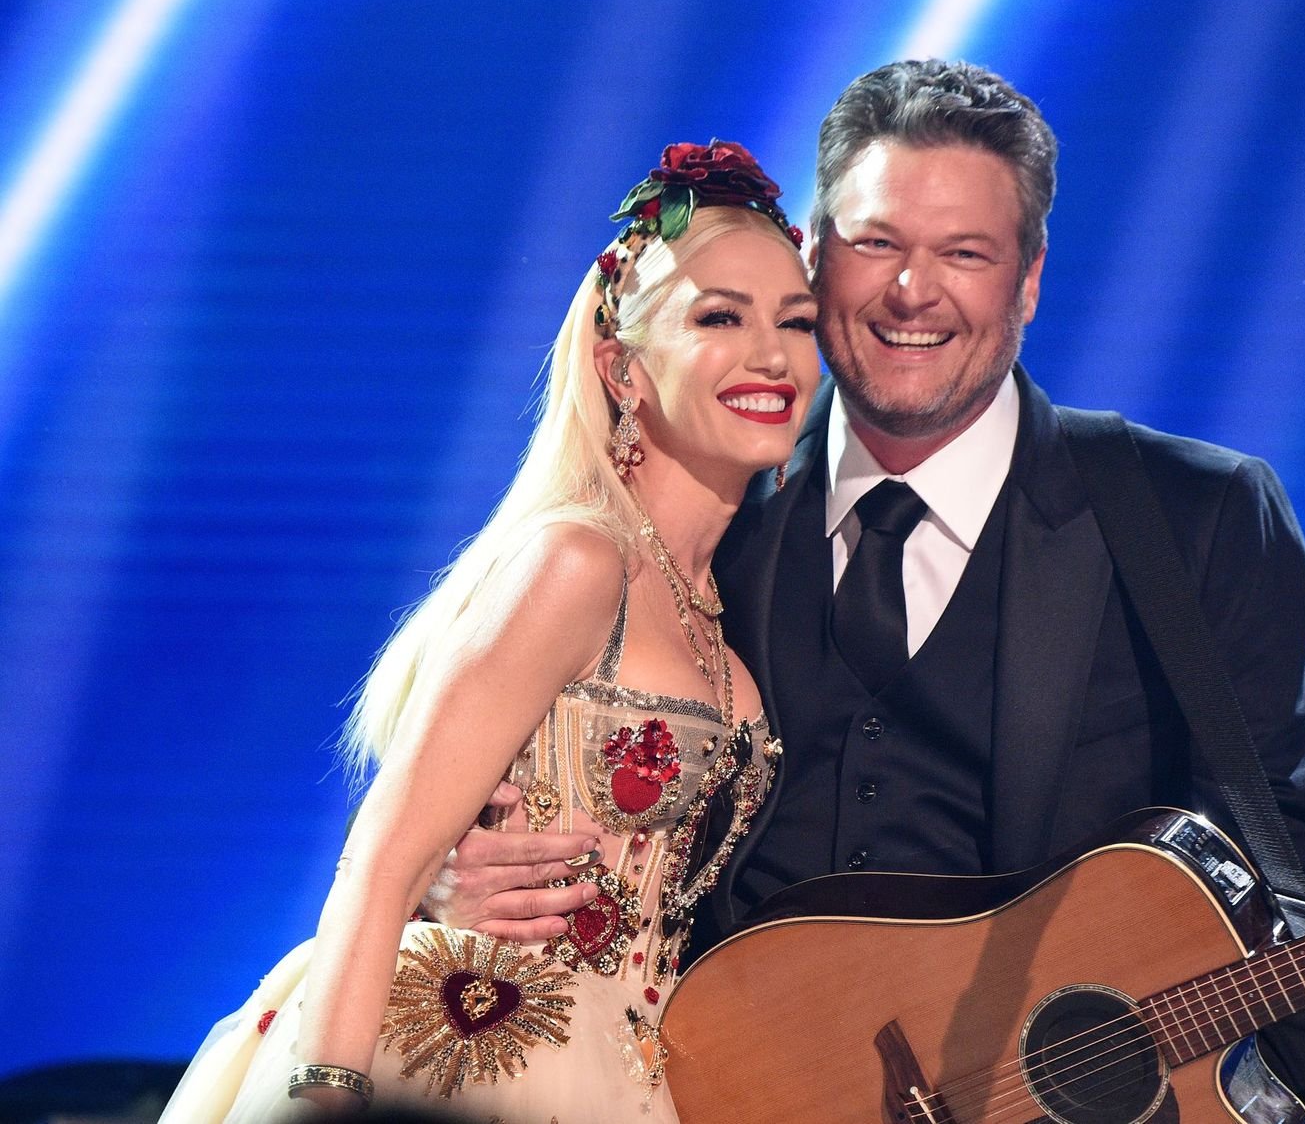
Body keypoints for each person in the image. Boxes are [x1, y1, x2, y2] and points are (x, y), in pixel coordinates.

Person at [431, 60, 1305, 1120]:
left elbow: (1289, 890)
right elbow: (489, 795)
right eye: (876, 244)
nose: (912, 292)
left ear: (1029, 279)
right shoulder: (691, 512)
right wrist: (456, 886)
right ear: (814, 255)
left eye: (964, 252)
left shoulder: (1193, 516)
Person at [158, 141, 820, 1122]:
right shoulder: (577, 561)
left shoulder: (713, 606)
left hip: (636, 1073)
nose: (771, 354)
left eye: (795, 321)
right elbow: (382, 857)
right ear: (620, 366)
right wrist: (325, 1101)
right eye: (719, 316)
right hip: (462, 1052)